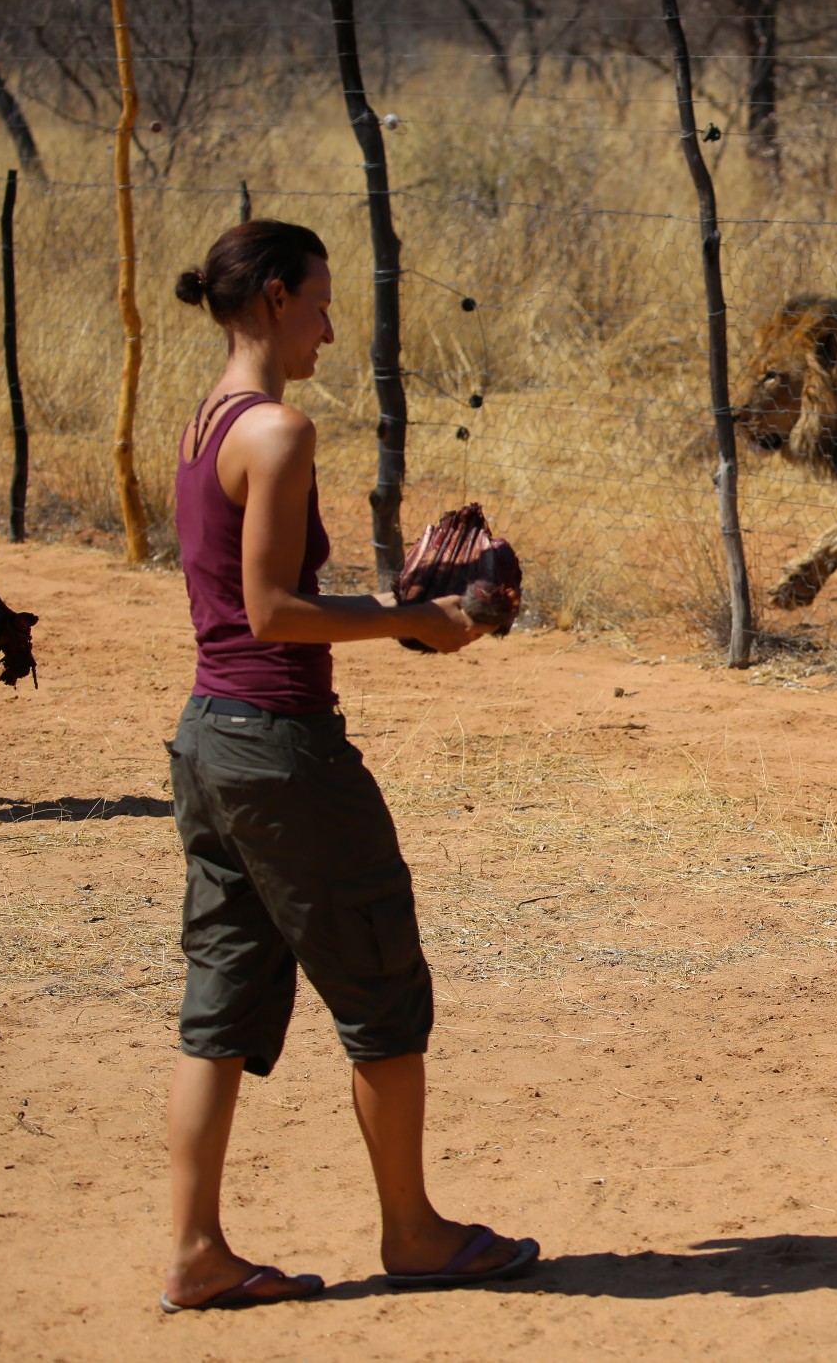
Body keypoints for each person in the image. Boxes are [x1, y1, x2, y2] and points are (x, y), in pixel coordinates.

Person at [159, 219, 536, 1312]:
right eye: (321, 301)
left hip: (210, 739)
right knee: (379, 988)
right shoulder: (278, 430)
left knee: (219, 1004)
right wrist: (414, 618)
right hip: (282, 751)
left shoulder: (205, 419)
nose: (332, 324)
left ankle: (193, 1251)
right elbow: (275, 612)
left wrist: (403, 612)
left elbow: (242, 606)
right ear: (275, 296)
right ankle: (414, 1234)